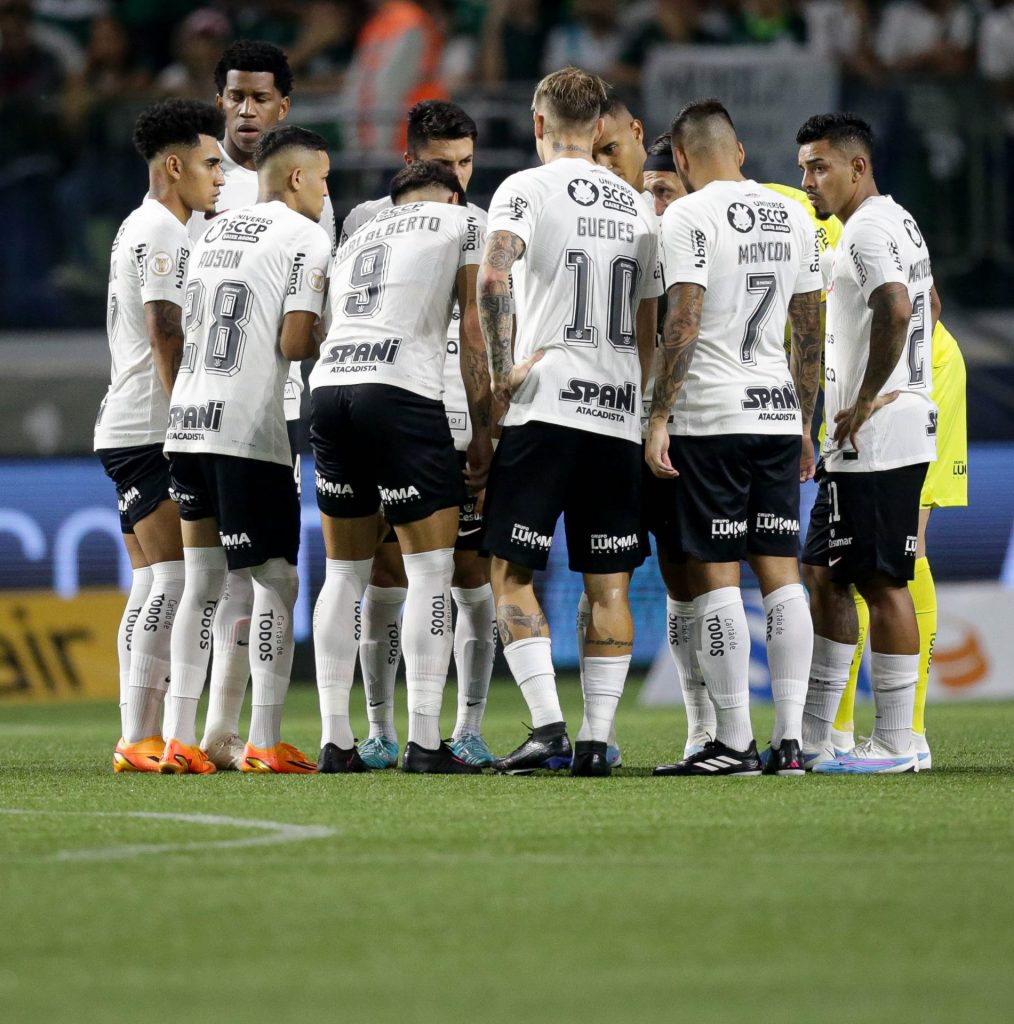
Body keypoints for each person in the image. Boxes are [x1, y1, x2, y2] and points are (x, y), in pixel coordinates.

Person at [479, 66, 661, 777]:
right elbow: (650, 316)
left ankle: (548, 728)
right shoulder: (636, 203)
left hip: (548, 402)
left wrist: (499, 375)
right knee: (608, 584)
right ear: (602, 128)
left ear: (537, 122)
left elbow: (495, 276)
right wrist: (643, 402)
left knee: (512, 572)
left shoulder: (524, 188)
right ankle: (596, 738)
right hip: (616, 411)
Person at [646, 99, 822, 777]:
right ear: (741, 151)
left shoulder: (688, 214)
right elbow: (809, 326)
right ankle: (790, 742)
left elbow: (684, 316)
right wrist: (804, 421)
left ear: (682, 160)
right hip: (777, 414)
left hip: (711, 417)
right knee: (781, 575)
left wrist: (659, 415)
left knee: (716, 576)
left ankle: (733, 742)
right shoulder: (794, 215)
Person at [310, 160, 492, 774]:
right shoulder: (463, 219)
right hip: (401, 392)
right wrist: (483, 427)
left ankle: (336, 740)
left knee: (344, 573)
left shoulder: (360, 234)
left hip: (330, 389)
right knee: (431, 571)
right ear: (452, 193)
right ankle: (424, 741)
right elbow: (474, 326)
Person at [160, 125, 332, 774]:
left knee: (203, 583)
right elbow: (292, 344)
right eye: (322, 178)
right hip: (247, 429)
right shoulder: (306, 238)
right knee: (277, 581)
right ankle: (264, 740)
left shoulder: (209, 234)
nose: (325, 191)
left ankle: (184, 738)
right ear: (295, 178)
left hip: (188, 420)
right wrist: (328, 331)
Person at [795, 112, 937, 774]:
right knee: (823, 572)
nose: (809, 179)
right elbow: (931, 306)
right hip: (869, 433)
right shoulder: (899, 221)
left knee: (882, 582)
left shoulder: (869, 229)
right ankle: (823, 736)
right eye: (803, 167)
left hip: (877, 436)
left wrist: (871, 393)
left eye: (819, 166)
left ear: (857, 166)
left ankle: (898, 743)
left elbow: (900, 308)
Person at [98, 98, 225, 772]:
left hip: (131, 420)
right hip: (154, 423)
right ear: (174, 166)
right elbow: (165, 329)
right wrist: (186, 423)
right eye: (210, 163)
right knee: (174, 580)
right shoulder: (164, 233)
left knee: (154, 581)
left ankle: (139, 734)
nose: (221, 175)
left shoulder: (138, 225)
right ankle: (139, 735)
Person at [591, 101, 715, 763]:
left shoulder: (696, 241)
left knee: (705, 571)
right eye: (649, 191)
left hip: (696, 427)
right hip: (623, 425)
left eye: (665, 190)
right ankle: (694, 727)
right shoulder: (632, 236)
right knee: (671, 574)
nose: (654, 202)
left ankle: (722, 730)